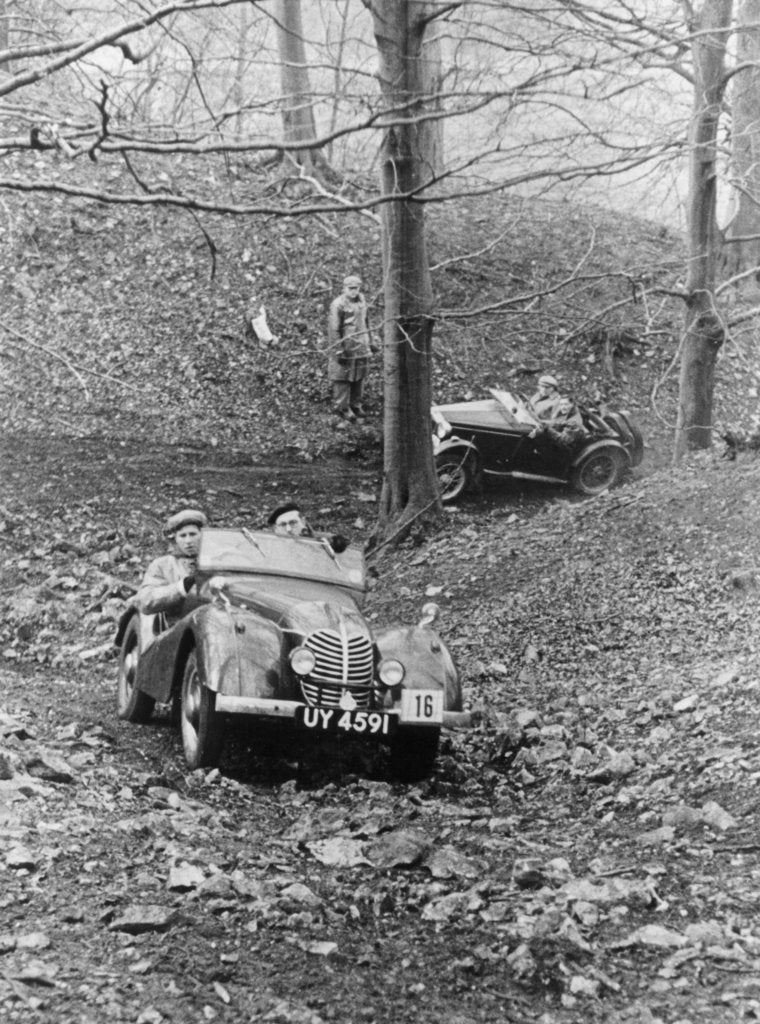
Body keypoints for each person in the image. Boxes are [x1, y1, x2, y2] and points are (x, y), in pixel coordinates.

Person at [136, 508, 208, 620]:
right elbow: (146, 601)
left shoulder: (216, 562)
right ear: (175, 539)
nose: (188, 541)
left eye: (193, 534)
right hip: (177, 629)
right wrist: (181, 587)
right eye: (183, 536)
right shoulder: (163, 564)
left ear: (202, 534)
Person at [327, 274, 377, 422]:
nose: (354, 292)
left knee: (359, 377)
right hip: (346, 347)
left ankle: (356, 404)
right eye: (351, 289)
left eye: (356, 288)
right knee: (342, 377)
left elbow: (367, 322)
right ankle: (342, 407)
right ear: (344, 289)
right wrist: (338, 348)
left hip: (361, 345)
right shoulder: (338, 304)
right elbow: (334, 328)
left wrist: (371, 340)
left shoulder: (362, 301)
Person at [267, 502, 348, 554]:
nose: (288, 529)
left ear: (303, 522)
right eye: (283, 525)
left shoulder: (318, 539)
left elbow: (337, 542)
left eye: (293, 523)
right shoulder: (268, 544)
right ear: (276, 529)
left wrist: (336, 542)